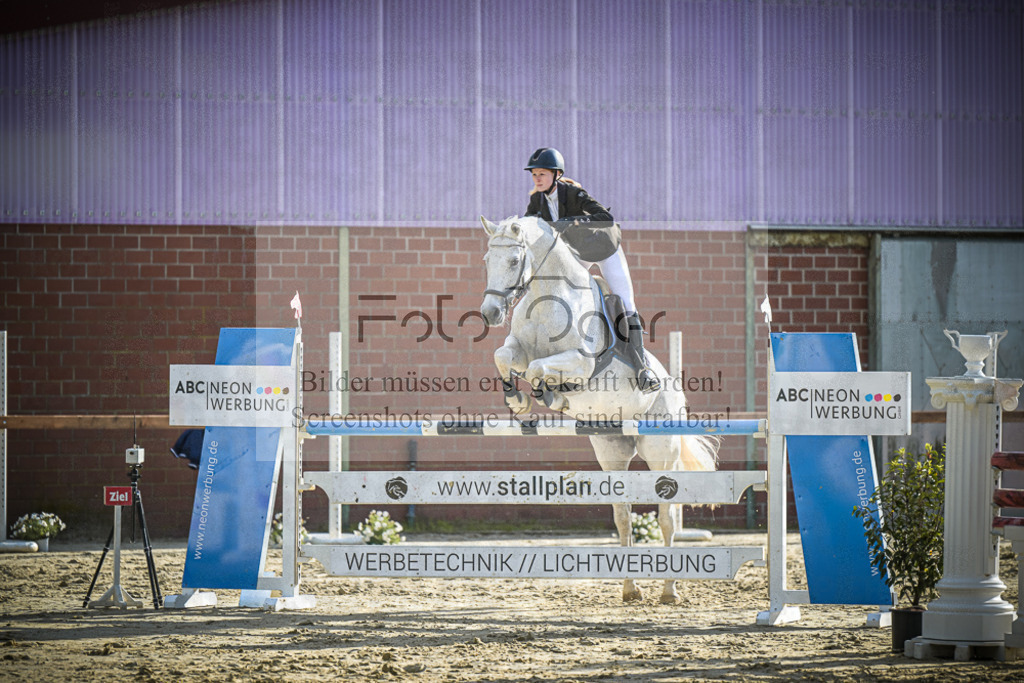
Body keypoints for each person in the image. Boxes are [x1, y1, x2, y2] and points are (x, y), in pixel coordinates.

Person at [523, 147, 661, 393]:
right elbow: (527, 227)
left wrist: (571, 222)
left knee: (627, 303)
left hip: (605, 249)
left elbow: (605, 216)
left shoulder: (573, 193)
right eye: (534, 175)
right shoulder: (537, 200)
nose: (537, 179)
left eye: (542, 174)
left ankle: (643, 369)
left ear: (556, 174)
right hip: (579, 253)